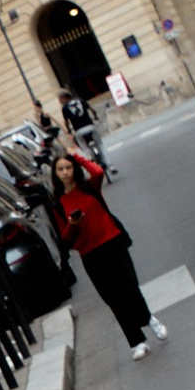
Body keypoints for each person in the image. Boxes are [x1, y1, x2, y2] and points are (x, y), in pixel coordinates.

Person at [48, 145, 166, 361]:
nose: (65, 173)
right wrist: (73, 224)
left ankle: (149, 319)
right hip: (90, 253)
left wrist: (76, 156)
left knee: (129, 285)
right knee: (113, 298)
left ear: (73, 168)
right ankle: (136, 342)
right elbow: (64, 237)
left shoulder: (88, 187)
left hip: (111, 241)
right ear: (55, 174)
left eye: (68, 168)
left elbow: (98, 171)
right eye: (60, 169)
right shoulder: (58, 204)